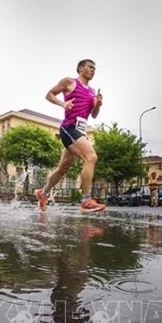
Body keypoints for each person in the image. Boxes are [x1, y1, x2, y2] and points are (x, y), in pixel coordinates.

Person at [35, 59, 105, 213]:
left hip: (81, 131)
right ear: (81, 68)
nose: (93, 70)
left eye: (95, 68)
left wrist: (97, 105)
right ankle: (86, 200)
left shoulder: (92, 91)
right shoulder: (70, 82)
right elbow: (49, 94)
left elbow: (93, 115)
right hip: (69, 128)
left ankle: (43, 192)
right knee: (91, 157)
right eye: (90, 67)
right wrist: (62, 104)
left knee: (62, 168)